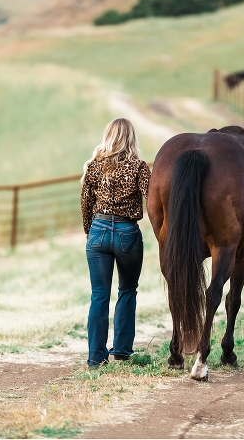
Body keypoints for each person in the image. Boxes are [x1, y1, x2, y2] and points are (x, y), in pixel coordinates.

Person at [80, 118, 151, 367]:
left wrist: (91, 233)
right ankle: (121, 349)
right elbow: (152, 198)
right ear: (131, 138)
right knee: (127, 290)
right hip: (127, 233)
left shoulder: (94, 167)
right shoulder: (140, 168)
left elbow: (86, 203)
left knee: (99, 294)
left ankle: (96, 357)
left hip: (98, 230)